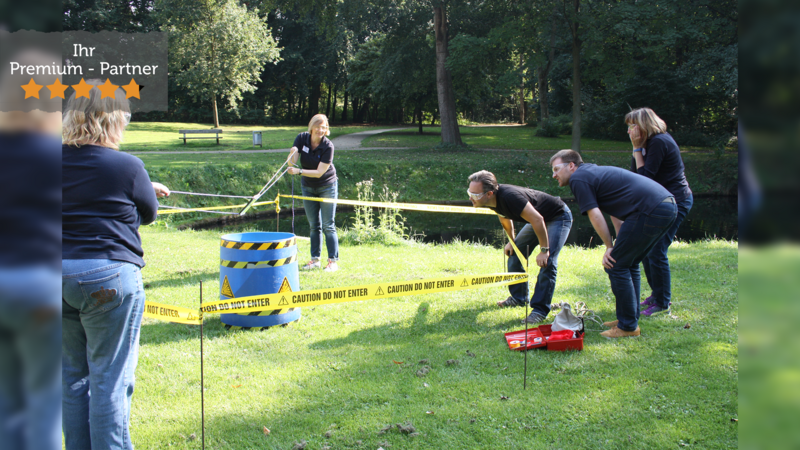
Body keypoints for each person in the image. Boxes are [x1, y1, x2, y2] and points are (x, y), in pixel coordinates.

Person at [62, 80, 170, 449]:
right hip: (107, 273)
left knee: (72, 378)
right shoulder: (128, 165)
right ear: (112, 121)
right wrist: (137, 188)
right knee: (109, 378)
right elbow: (149, 215)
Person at [550, 149, 677, 339]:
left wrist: (609, 247)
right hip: (665, 205)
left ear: (571, 165)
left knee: (615, 264)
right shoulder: (591, 173)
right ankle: (629, 318)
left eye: (556, 169)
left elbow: (594, 214)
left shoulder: (579, 179)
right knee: (628, 262)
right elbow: (614, 209)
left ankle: (628, 327)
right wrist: (618, 240)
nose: (554, 175)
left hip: (652, 208)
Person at [467, 170, 573, 324]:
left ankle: (539, 310)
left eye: (475, 194)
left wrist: (544, 250)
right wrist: (512, 241)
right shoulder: (490, 200)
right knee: (514, 253)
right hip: (538, 219)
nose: (471, 197)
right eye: (469, 192)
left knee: (547, 262)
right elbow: (504, 217)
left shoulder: (510, 197)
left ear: (489, 193)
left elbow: (537, 219)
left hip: (557, 216)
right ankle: (519, 298)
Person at [625, 107, 693, 316]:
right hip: (659, 203)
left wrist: (637, 149)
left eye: (631, 126)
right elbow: (634, 176)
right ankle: (656, 294)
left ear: (642, 126)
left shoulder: (660, 142)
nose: (629, 131)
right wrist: (637, 150)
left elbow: (646, 179)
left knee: (657, 250)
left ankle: (663, 302)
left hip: (676, 202)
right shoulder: (647, 144)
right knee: (647, 250)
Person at [287, 114, 340, 272]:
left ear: (327, 129)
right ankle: (315, 260)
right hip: (308, 187)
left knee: (328, 225)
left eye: (324, 127)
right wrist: (292, 153)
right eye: (318, 126)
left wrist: (298, 171)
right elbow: (292, 162)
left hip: (327, 186)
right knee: (313, 226)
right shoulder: (302, 138)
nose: (320, 130)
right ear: (311, 127)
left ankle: (333, 262)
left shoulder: (328, 146)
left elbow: (319, 172)